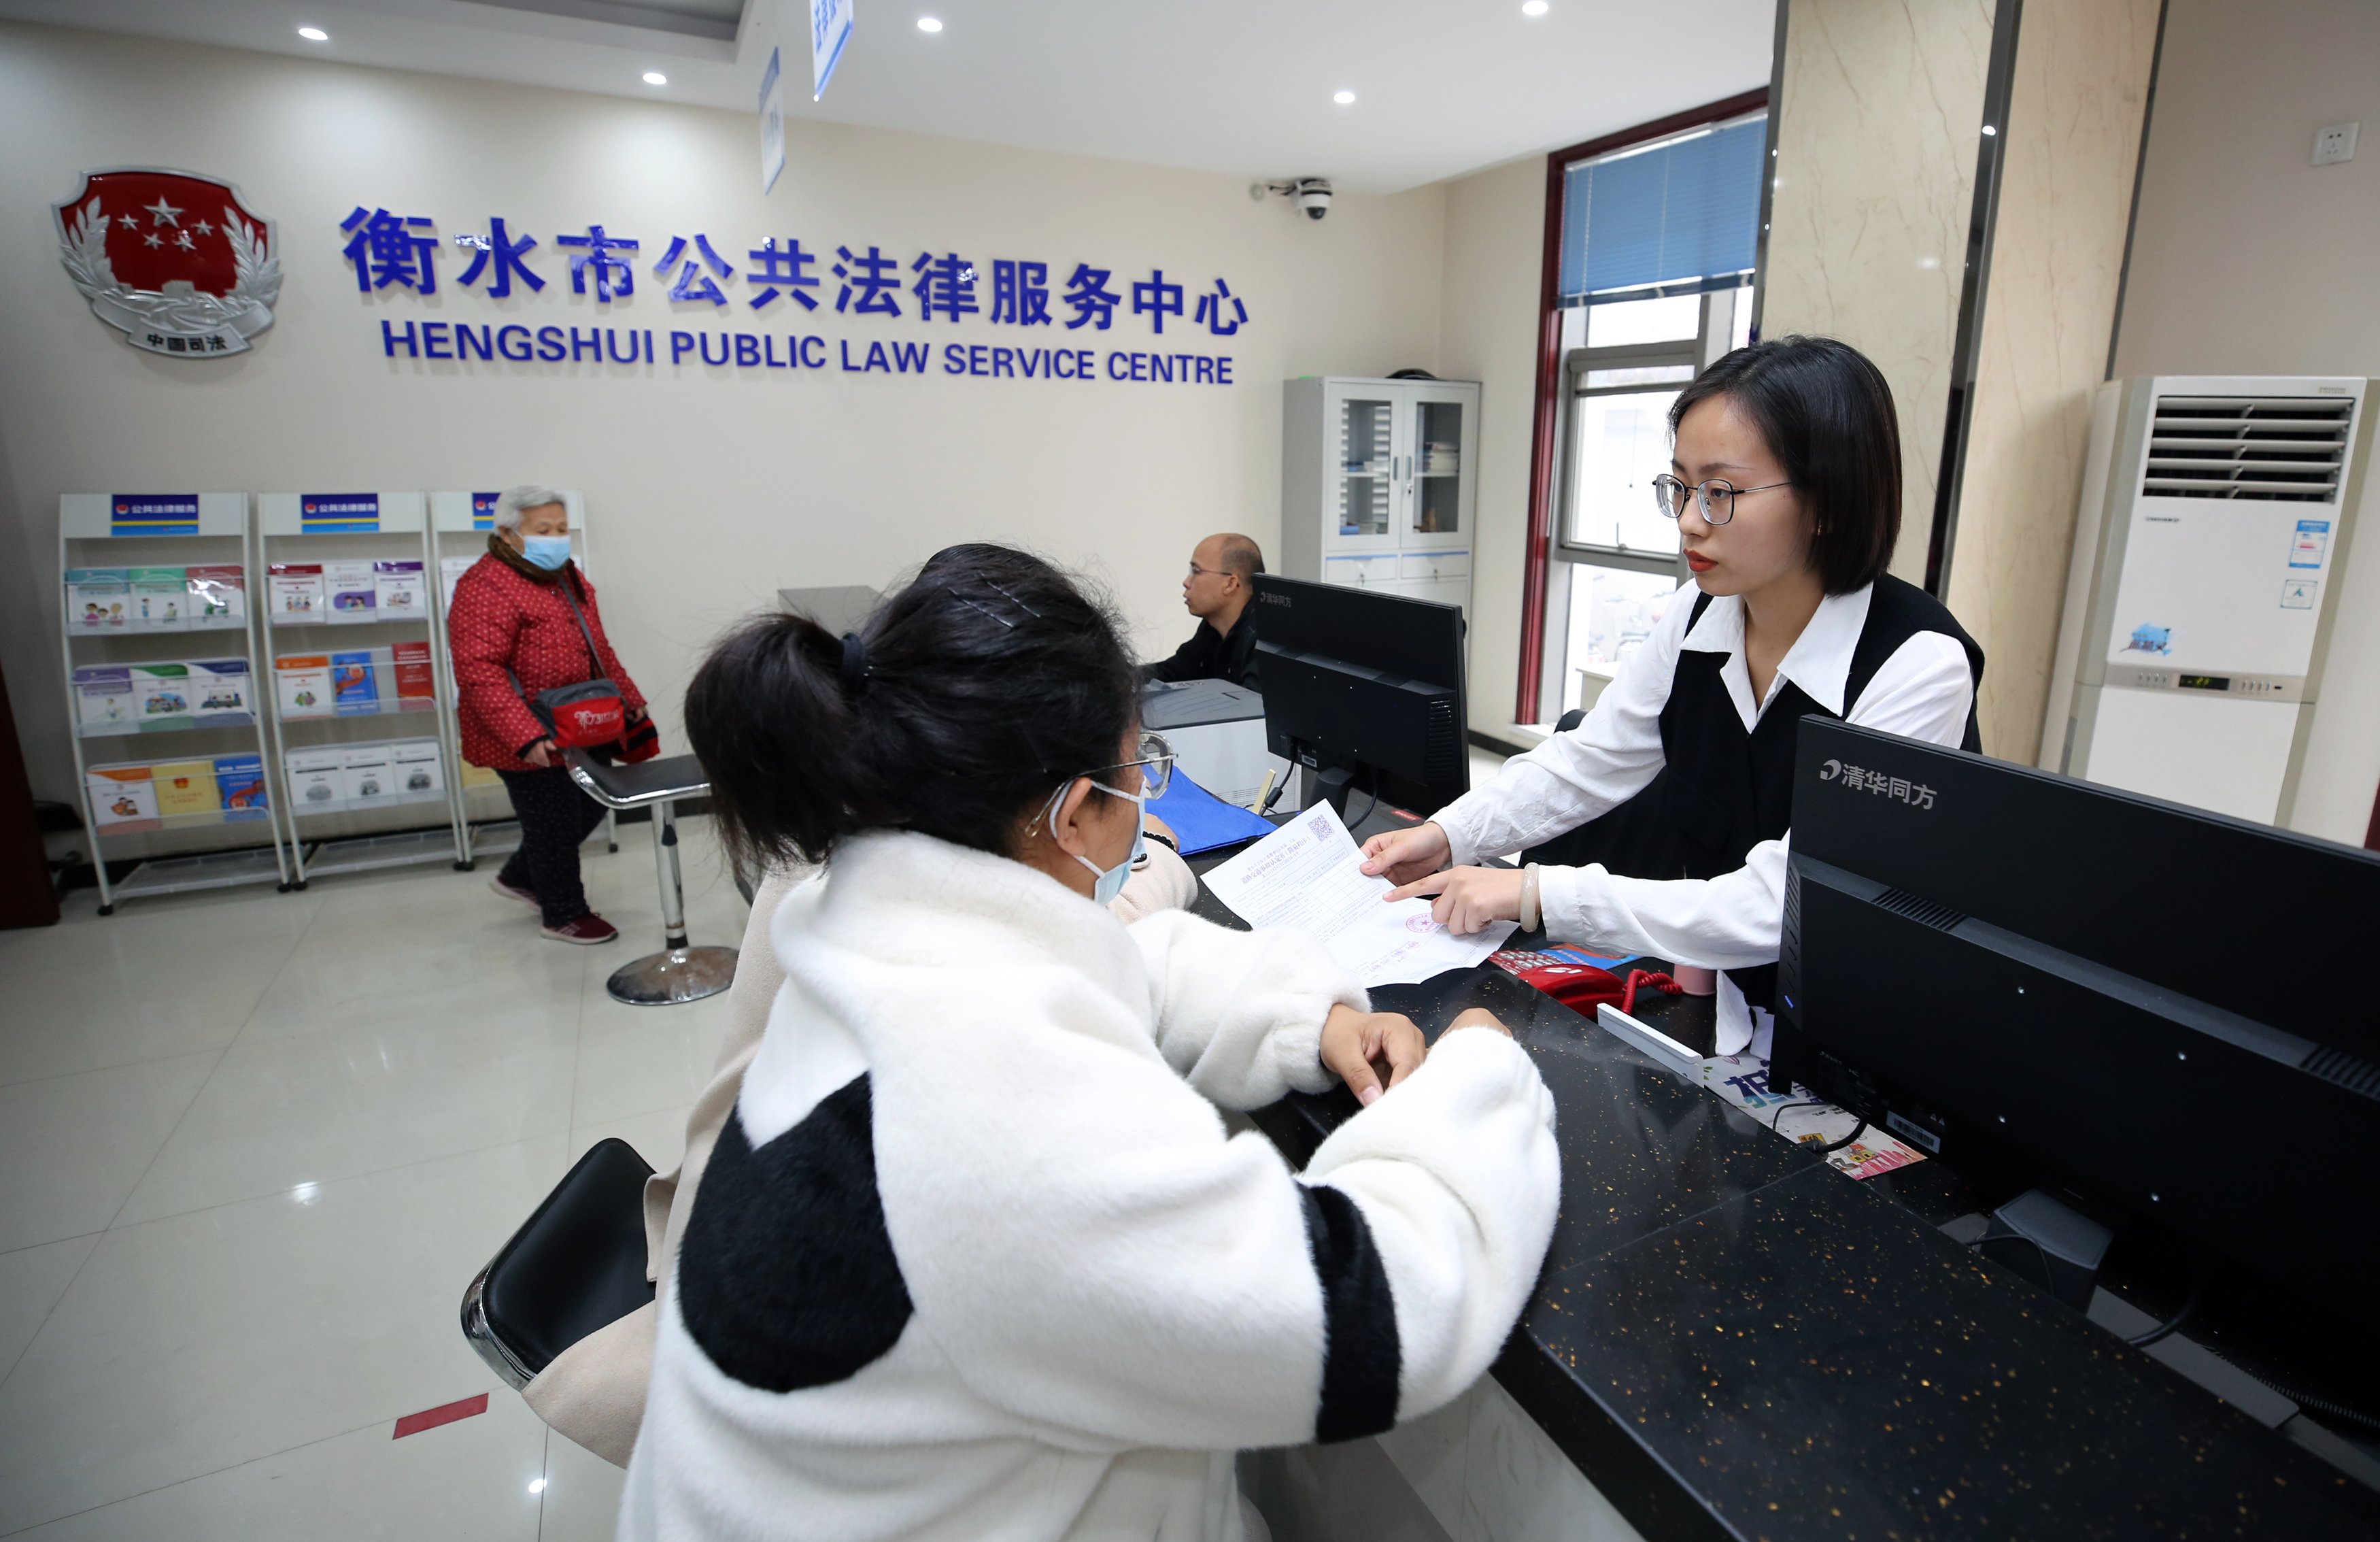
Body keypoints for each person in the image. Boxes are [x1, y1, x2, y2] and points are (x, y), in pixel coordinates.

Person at [621, 544, 1558, 1542]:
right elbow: (1384, 1310)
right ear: (1071, 815)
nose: (1145, 796)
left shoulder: (875, 942)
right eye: (1137, 770)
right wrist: (1481, 1066)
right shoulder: (996, 1124)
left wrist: (1306, 1016)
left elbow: (1117, 966)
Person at [1361, 337, 1984, 1056]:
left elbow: (1785, 900)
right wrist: (1450, 833)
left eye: (1721, 493)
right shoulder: (1699, 615)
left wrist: (1537, 892)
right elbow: (1588, 761)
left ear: (1827, 501)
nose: (1688, 520)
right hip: (1739, 1016)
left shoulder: (1916, 665)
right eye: (1681, 487)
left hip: (1874, 1040)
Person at [447, 484, 649, 945]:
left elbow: (597, 645)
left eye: (561, 528)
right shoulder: (484, 586)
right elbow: (479, 670)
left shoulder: (567, 576)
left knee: (597, 800)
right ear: (508, 533)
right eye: (544, 530)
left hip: (582, 721)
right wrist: (525, 735)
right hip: (527, 730)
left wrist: (628, 695)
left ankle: (521, 875)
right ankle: (563, 914)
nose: (556, 539)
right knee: (553, 823)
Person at [1144, 532, 1264, 688]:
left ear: (1230, 584)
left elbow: (1253, 701)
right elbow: (1168, 674)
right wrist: (1117, 675)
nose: (1186, 582)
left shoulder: (1265, 640)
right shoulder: (1212, 629)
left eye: (1196, 571)